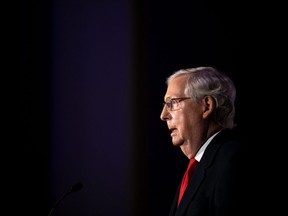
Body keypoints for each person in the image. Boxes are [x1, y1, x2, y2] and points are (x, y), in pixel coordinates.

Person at [160, 66, 248, 216]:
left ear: (206, 106)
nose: (163, 115)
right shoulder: (198, 165)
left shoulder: (233, 162)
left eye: (172, 103)